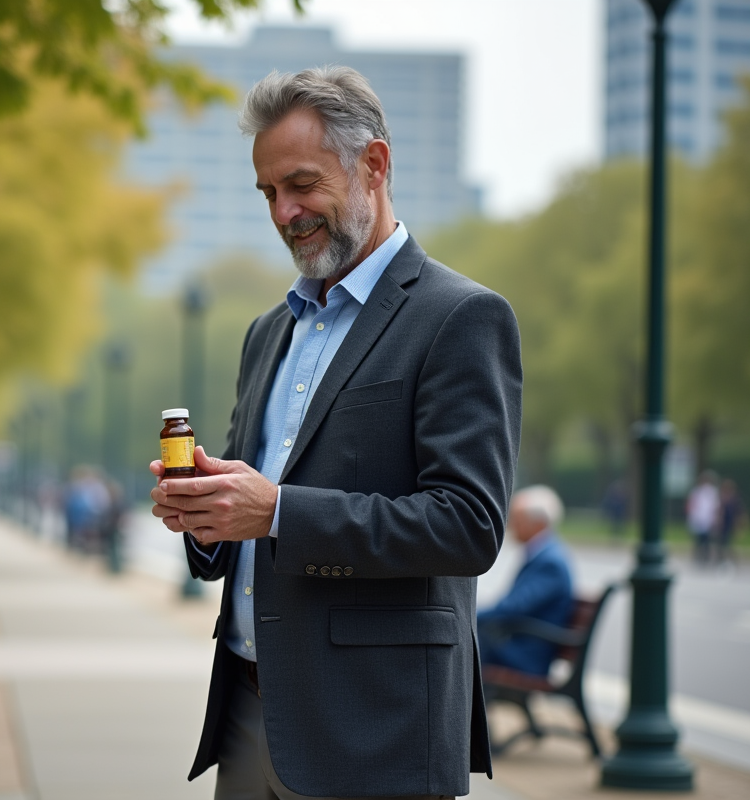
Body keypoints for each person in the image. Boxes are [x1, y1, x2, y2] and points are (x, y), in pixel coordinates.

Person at [149, 67, 521, 800]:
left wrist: (278, 511)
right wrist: (210, 517)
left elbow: (469, 527)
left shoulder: (460, 318)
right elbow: (250, 510)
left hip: (375, 732)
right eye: (268, 194)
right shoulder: (268, 332)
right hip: (251, 720)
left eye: (302, 184)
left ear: (374, 166)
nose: (285, 212)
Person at [477, 486, 574, 677]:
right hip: (520, 642)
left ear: (537, 524)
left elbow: (514, 607)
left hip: (527, 654)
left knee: (468, 643)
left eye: (517, 519)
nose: (511, 525)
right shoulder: (543, 554)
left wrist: (474, 616)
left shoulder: (550, 562)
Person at [686, 470, 720, 565]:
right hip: (698, 520)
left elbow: (715, 507)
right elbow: (692, 505)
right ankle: (699, 557)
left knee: (706, 540)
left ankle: (705, 557)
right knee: (698, 540)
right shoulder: (697, 491)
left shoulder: (712, 492)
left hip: (707, 520)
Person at [717, 479, 743, 566]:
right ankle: (721, 560)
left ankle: (730, 560)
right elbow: (719, 512)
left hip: (730, 525)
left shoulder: (734, 500)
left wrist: (738, 526)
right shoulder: (722, 499)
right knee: (722, 544)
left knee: (728, 544)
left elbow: (738, 513)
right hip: (723, 526)